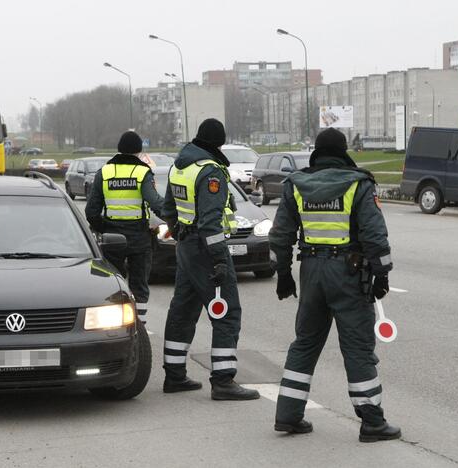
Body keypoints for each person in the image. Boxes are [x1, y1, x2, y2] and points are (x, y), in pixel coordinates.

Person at [270, 128, 400, 442]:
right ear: (343, 152)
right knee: (357, 347)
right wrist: (382, 275)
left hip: (312, 271)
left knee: (305, 343)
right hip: (348, 273)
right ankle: (371, 421)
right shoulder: (358, 184)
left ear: (316, 151)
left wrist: (284, 274)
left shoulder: (296, 186)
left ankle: (288, 416)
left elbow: (280, 236)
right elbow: (374, 235)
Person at [161, 118, 260, 401]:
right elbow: (210, 224)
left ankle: (175, 375)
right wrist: (218, 259)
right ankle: (223, 380)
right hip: (206, 249)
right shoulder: (210, 172)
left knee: (182, 311)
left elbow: (169, 208)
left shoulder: (180, 166)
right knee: (227, 313)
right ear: (219, 143)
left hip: (186, 248)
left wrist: (180, 232)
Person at [85, 131, 163, 324]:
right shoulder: (142, 172)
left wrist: (105, 228)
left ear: (119, 150)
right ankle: (140, 327)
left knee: (114, 286)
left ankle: (117, 325)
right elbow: (155, 203)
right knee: (139, 287)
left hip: (112, 240)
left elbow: (91, 212)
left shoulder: (104, 172)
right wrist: (174, 220)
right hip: (139, 238)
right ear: (139, 151)